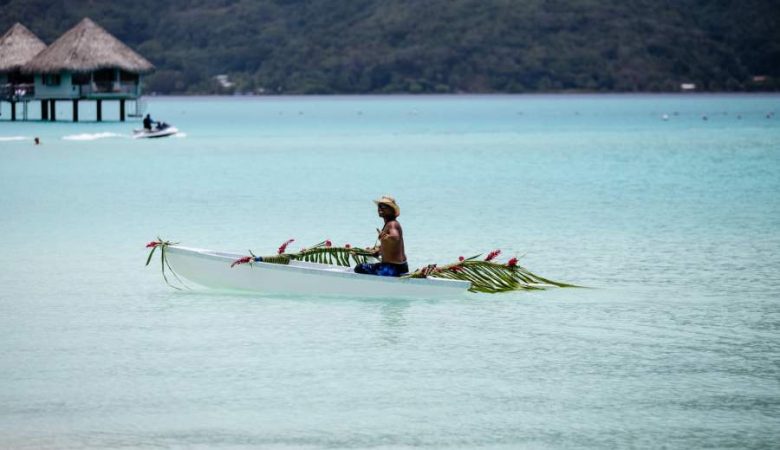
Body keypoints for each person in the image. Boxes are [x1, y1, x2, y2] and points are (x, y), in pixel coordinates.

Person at [354, 195, 409, 276]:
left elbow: (396, 237)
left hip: (393, 268)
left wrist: (388, 237)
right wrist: (378, 251)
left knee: (360, 268)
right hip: (398, 267)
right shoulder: (389, 224)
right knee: (361, 267)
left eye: (383, 206)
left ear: (392, 210)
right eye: (379, 206)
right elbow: (392, 245)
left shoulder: (392, 224)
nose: (380, 208)